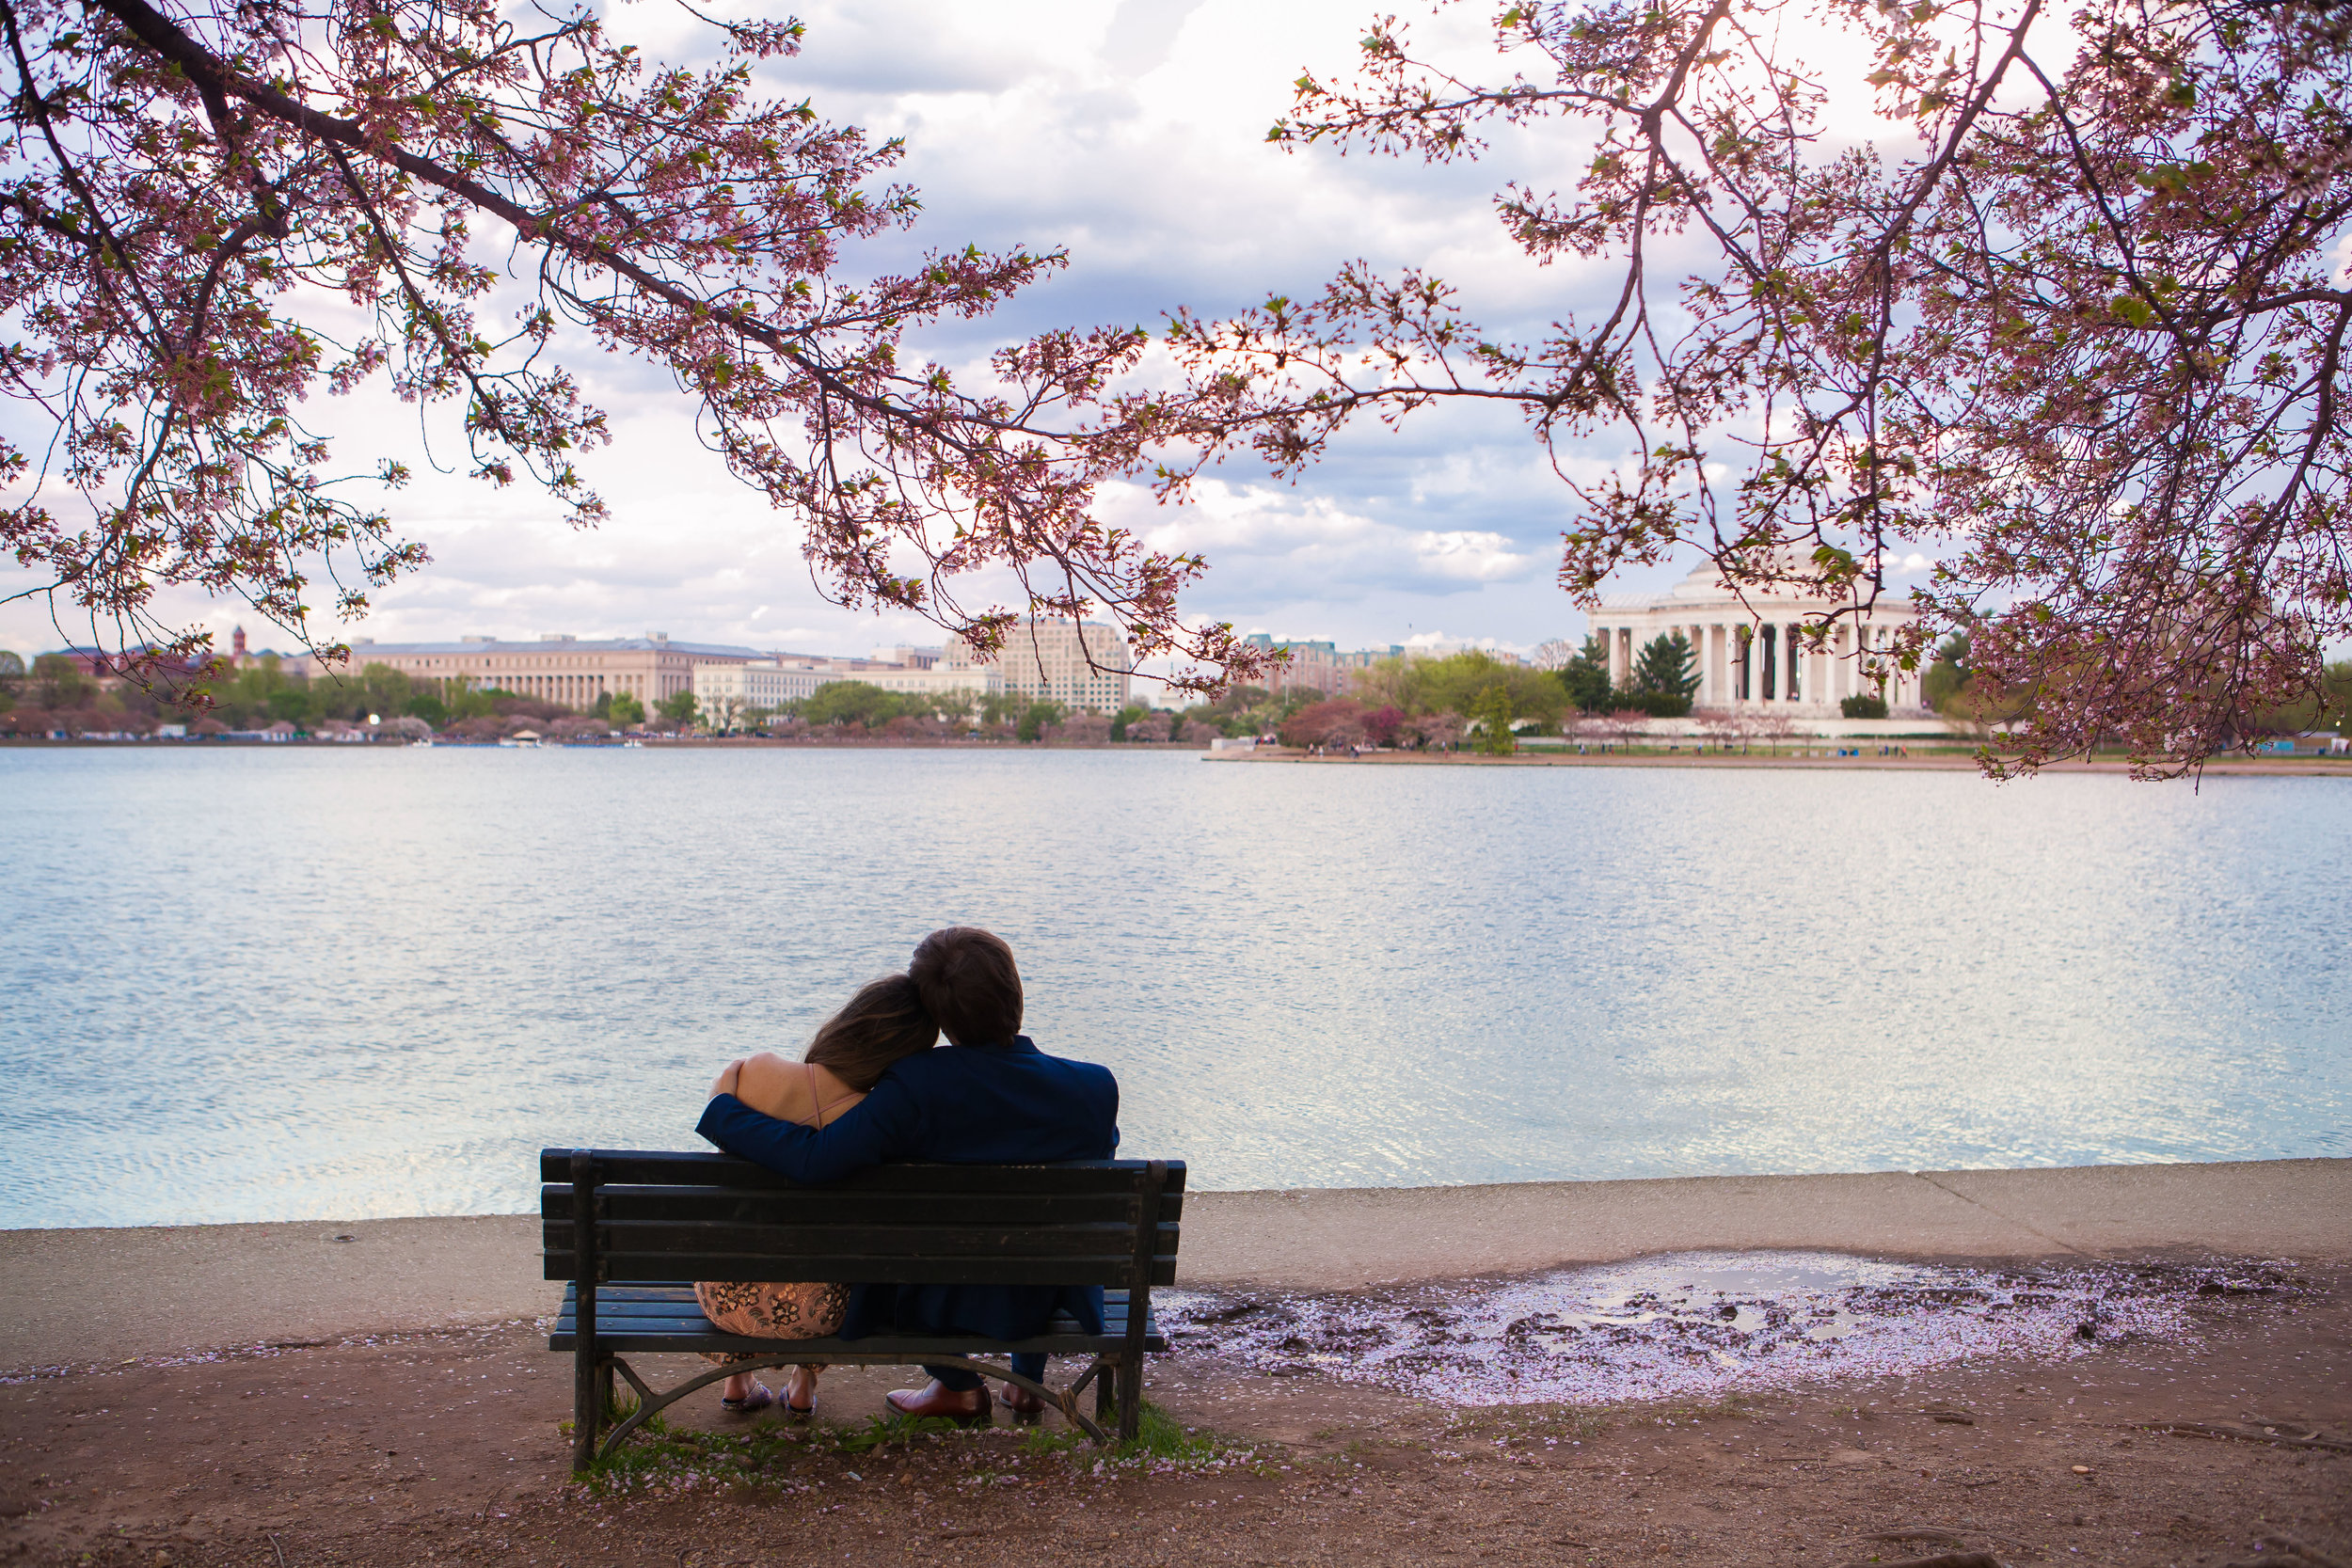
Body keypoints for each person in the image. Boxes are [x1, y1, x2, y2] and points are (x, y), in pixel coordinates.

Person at [697, 927, 1119, 1423]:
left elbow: (816, 1159)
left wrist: (724, 1110)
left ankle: (958, 1386)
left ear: (937, 1017)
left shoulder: (917, 1084)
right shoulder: (1093, 1086)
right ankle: (1026, 1386)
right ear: (1015, 992)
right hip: (1053, 1291)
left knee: (901, 1261)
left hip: (938, 1299)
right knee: (1042, 1240)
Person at [697, 974, 939, 1418]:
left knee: (748, 1232)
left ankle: (737, 1380)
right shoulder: (873, 1120)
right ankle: (803, 1383)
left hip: (724, 1297)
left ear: (846, 1022)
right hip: (816, 1311)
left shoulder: (754, 1071)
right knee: (834, 1259)